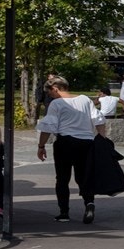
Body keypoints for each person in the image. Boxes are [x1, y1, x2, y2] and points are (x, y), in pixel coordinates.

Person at [36, 73, 104, 224]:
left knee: (62, 178)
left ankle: (64, 212)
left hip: (65, 142)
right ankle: (89, 202)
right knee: (83, 176)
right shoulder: (85, 99)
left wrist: (41, 146)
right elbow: (98, 119)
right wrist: (102, 138)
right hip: (86, 142)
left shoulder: (57, 104)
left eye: (49, 92)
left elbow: (48, 126)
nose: (50, 96)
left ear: (55, 88)